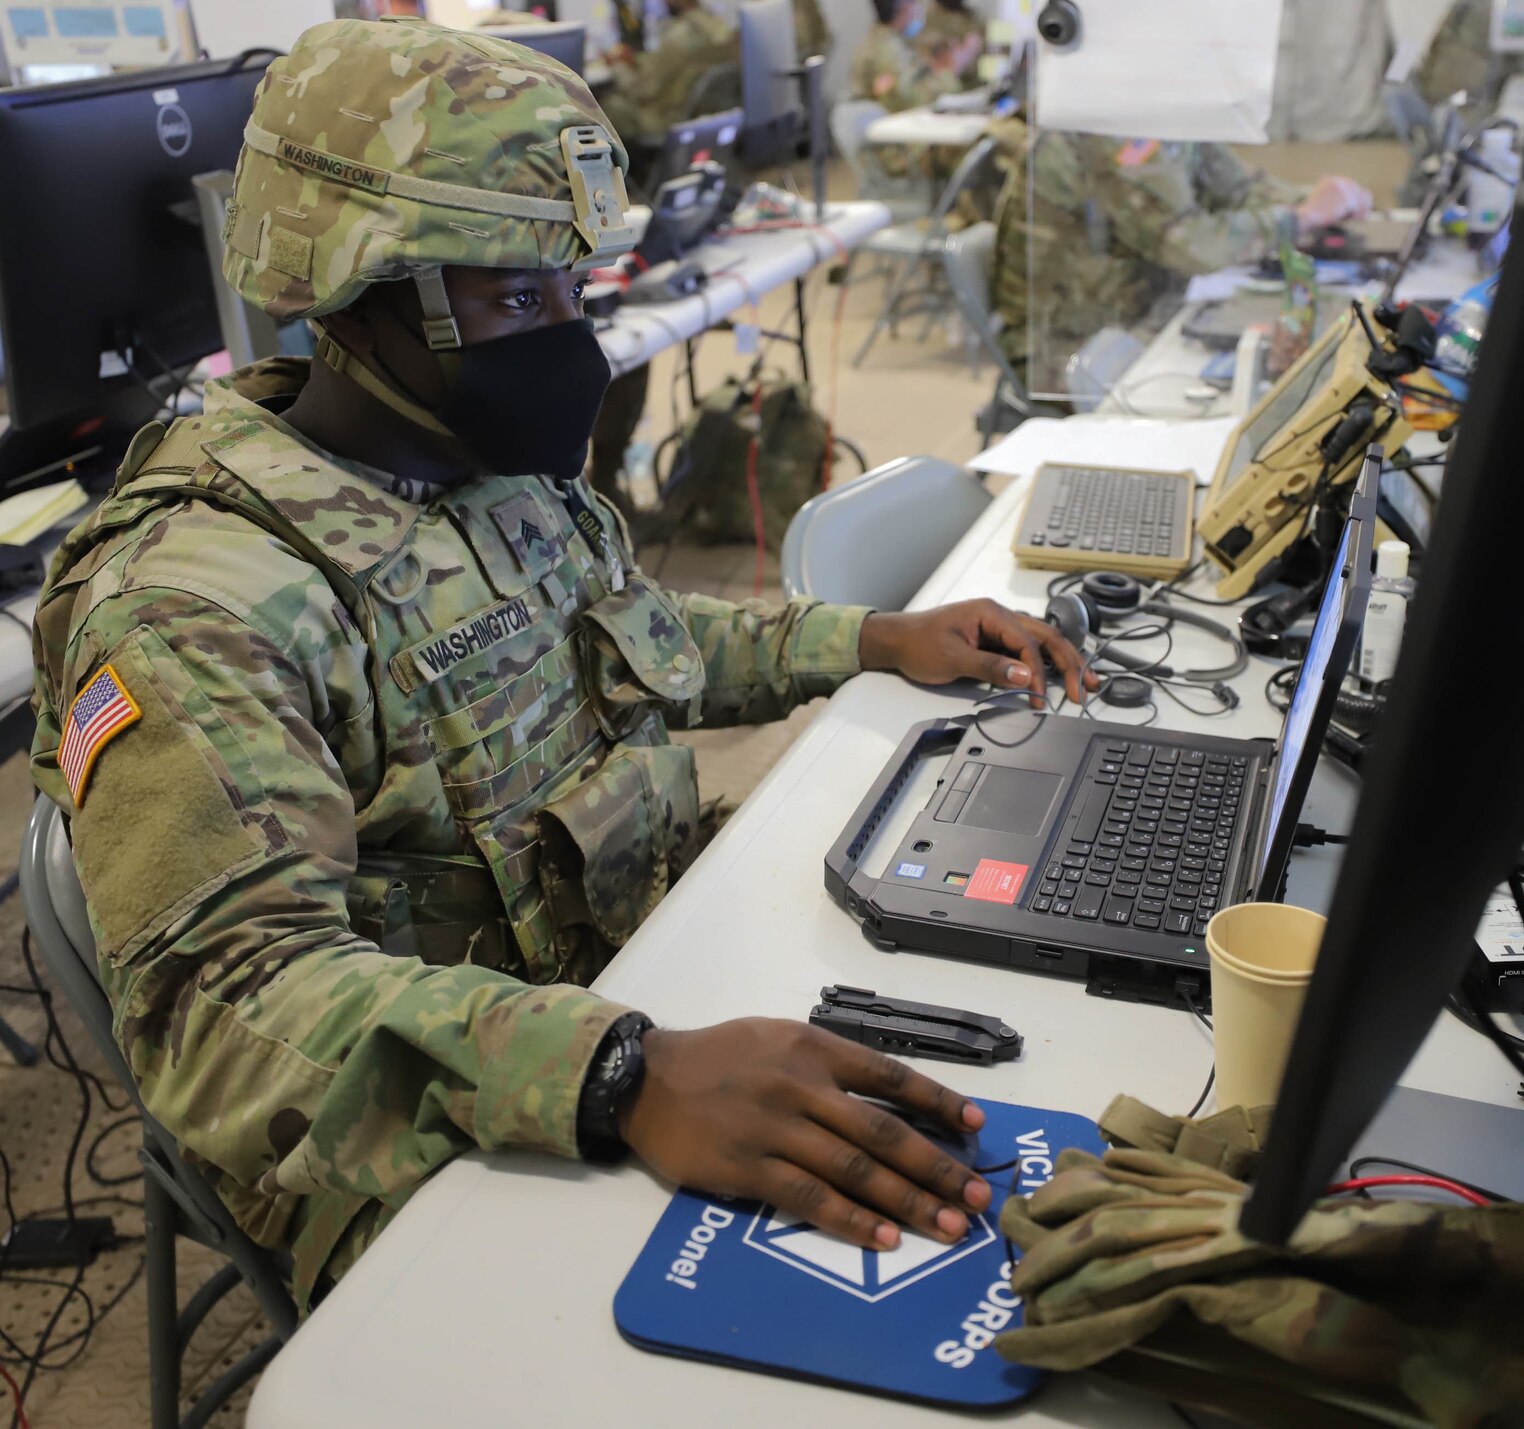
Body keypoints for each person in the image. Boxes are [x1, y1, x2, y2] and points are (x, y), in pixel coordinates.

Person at [29, 16, 1094, 1317]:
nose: (571, 335)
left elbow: (632, 635)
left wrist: (864, 640)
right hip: (452, 1123)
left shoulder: (482, 465)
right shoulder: (198, 597)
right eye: (520, 295)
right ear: (363, 285)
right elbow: (226, 1005)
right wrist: (617, 1077)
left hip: (646, 981)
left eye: (577, 288)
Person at [987, 118, 1371, 392]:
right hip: (1071, 350)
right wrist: (1299, 218)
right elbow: (1191, 246)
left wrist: (1317, 202)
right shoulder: (1106, 129)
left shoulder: (1167, 111)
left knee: (1285, 362)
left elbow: (1236, 189)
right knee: (1259, 396)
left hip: (1141, 314)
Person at [597, 0, 737, 145]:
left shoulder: (679, 37)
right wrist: (636, 61)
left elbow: (642, 90)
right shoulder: (719, 28)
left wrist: (617, 66)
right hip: (699, 116)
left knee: (605, 106)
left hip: (665, 119)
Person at [852, 0, 974, 114]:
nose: (918, 7)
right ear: (903, 6)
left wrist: (935, 69)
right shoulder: (888, 50)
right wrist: (952, 70)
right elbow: (909, 103)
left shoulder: (886, 41)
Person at [921, 0, 984, 84]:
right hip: (941, 83)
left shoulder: (974, 18)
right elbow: (925, 49)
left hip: (972, 83)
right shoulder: (930, 17)